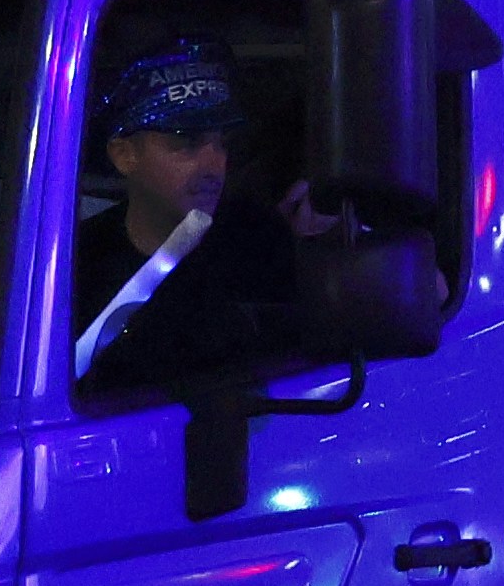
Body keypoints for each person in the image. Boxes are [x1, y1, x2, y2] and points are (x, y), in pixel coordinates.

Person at [69, 43, 337, 391]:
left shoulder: (259, 245)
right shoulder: (76, 265)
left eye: (222, 143)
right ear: (124, 155)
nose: (215, 166)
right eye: (187, 143)